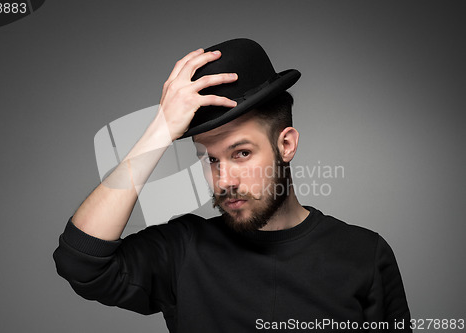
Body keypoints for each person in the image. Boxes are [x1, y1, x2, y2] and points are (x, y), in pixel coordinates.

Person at [53, 38, 412, 332]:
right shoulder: (183, 249)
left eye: (241, 153)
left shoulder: (364, 255)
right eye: (210, 159)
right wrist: (159, 130)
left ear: (285, 144)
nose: (224, 181)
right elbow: (80, 260)